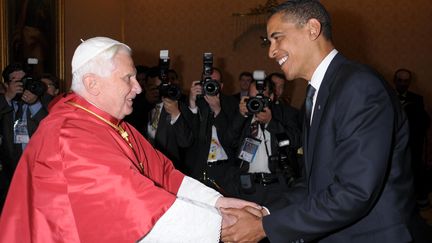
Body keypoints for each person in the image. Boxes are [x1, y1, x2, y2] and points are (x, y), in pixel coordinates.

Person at [0, 37, 260, 242]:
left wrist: (217, 201)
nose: (138, 87)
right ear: (93, 83)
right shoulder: (69, 133)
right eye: (128, 78)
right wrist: (222, 223)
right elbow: (133, 204)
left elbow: (164, 174)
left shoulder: (109, 123)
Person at [221, 1, 418, 242]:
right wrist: (265, 212)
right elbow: (316, 185)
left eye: (277, 38)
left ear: (312, 29)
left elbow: (354, 192)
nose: (271, 52)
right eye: (269, 42)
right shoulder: (320, 91)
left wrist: (265, 227)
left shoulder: (358, 87)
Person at [228, 77, 301, 207]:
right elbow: (230, 142)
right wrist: (240, 116)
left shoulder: (286, 114)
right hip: (248, 187)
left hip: (277, 187)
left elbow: (294, 141)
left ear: (271, 97)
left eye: (260, 97)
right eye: (252, 97)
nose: (255, 101)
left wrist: (270, 123)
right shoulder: (243, 117)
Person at [183, 67, 239, 196]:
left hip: (225, 170)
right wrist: (192, 103)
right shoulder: (194, 101)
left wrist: (218, 110)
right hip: (198, 167)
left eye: (215, 82)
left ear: (222, 85)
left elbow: (233, 138)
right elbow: (186, 137)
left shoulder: (232, 104)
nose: (211, 85)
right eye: (207, 81)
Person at [0, 62, 48, 211]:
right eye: (16, 81)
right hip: (7, 170)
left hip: (36, 168)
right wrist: (7, 97)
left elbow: (49, 126)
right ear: (6, 84)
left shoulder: (42, 100)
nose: (22, 84)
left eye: (24, 80)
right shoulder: (3, 102)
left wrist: (35, 104)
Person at [394, 68, 431, 209]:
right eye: (400, 80)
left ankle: (417, 198)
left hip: (412, 141)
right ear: (395, 81)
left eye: (406, 81)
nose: (403, 84)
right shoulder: (387, 95)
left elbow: (423, 121)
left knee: (414, 168)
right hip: (392, 140)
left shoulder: (417, 99)